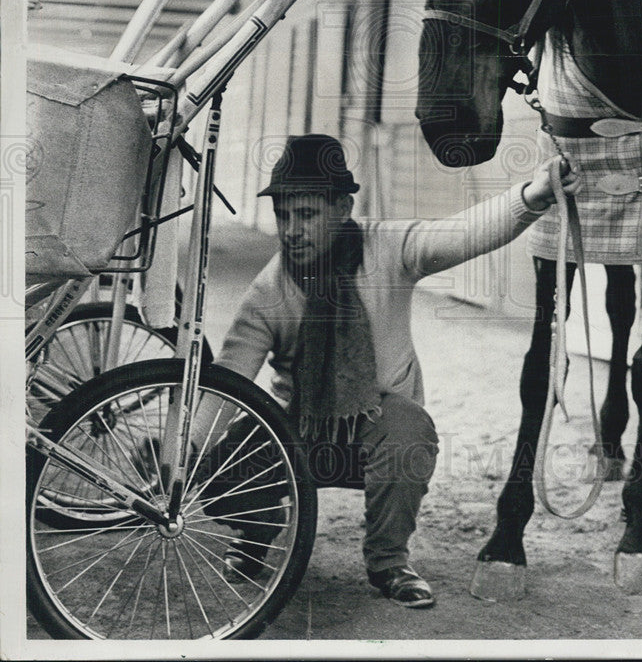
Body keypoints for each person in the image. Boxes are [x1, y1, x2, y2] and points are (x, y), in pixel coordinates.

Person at [204, 133, 579, 609]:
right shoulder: (268, 291)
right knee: (214, 470)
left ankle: (389, 562)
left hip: (376, 431)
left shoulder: (389, 247)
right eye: (283, 215)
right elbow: (228, 383)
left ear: (342, 209)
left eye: (307, 215)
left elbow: (464, 232)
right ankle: (258, 533)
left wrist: (533, 196)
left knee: (408, 430)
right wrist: (183, 455)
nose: (292, 230)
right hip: (298, 430)